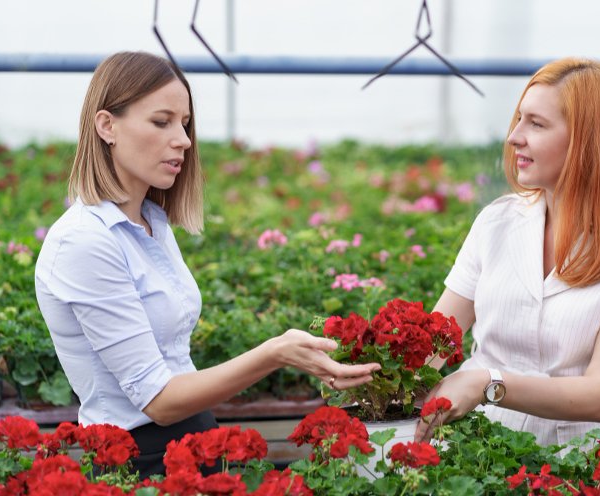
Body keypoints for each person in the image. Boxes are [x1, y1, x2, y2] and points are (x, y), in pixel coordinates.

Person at [34, 51, 380, 478]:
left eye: (185, 124)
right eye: (162, 122)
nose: (182, 139)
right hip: (138, 465)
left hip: (192, 445)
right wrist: (275, 353)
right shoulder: (84, 241)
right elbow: (158, 402)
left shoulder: (149, 222)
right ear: (107, 126)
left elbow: (176, 368)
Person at [415, 57, 600, 448]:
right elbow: (433, 345)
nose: (514, 136)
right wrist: (362, 369)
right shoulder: (497, 221)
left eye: (536, 124)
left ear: (587, 140)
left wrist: (489, 384)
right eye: (519, 119)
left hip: (579, 464)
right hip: (475, 454)